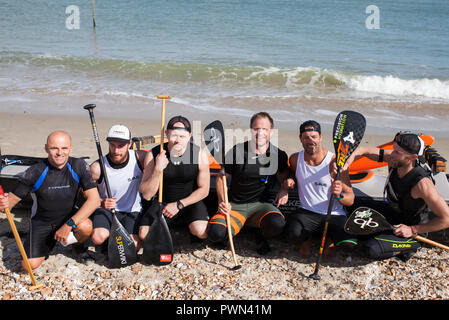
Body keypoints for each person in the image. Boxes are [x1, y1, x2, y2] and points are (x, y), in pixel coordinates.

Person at [0, 131, 100, 270]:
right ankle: (49, 244)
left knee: (86, 227)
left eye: (64, 148)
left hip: (68, 219)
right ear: (46, 148)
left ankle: (77, 247)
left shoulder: (78, 166)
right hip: (42, 223)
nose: (60, 153)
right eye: (54, 148)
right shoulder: (34, 172)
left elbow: (94, 200)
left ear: (70, 148)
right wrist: (4, 202)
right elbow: (9, 203)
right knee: (28, 265)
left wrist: (68, 225)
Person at [344, 131, 449, 261]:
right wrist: (349, 160)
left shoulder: (422, 184)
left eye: (398, 152)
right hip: (392, 214)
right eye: (394, 149)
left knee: (371, 249)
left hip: (412, 229)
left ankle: (409, 247)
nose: (391, 155)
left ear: (412, 157)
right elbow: (364, 150)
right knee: (348, 203)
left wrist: (412, 229)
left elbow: (446, 219)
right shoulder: (395, 159)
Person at [207, 112, 289, 255]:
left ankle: (260, 235)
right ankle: (233, 230)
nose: (260, 133)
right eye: (257, 129)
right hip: (235, 206)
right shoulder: (237, 151)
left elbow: (284, 175)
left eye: (265, 129)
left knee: (278, 224)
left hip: (261, 207)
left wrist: (285, 189)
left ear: (272, 132)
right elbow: (221, 178)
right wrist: (222, 201)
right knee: (215, 234)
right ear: (251, 130)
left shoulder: (278, 155)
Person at [277, 120, 357, 258]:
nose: (310, 141)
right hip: (307, 211)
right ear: (300, 139)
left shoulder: (335, 162)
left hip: (334, 214)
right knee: (291, 235)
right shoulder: (296, 159)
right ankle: (307, 240)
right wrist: (286, 185)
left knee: (349, 244)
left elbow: (350, 199)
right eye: (306, 137)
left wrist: (339, 195)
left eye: (314, 137)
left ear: (320, 137)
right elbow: (292, 174)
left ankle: (330, 240)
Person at [139, 116, 210, 242]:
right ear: (166, 134)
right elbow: (147, 195)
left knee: (202, 231)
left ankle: (188, 229)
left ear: (189, 136)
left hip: (190, 202)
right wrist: (158, 170)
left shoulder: (199, 154)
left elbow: (204, 190)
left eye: (182, 136)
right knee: (144, 235)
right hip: (163, 201)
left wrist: (179, 205)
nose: (178, 140)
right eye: (174, 136)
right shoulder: (154, 154)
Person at [89, 124, 147, 253]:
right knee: (98, 238)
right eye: (112, 145)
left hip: (132, 210)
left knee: (135, 246)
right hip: (107, 209)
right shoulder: (97, 167)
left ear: (130, 144)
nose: (116, 151)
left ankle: (114, 240)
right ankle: (108, 240)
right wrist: (101, 202)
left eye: (121, 146)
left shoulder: (140, 158)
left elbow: (155, 157)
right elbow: (85, 194)